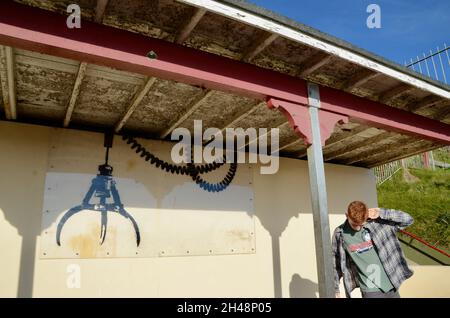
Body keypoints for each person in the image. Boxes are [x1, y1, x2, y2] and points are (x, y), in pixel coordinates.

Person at [332, 201, 414, 298]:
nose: (358, 228)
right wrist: (335, 288)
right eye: (354, 224)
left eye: (362, 225)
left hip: (391, 282)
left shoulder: (378, 224)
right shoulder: (340, 234)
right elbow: (335, 261)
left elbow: (408, 220)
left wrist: (381, 212)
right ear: (346, 215)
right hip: (370, 289)